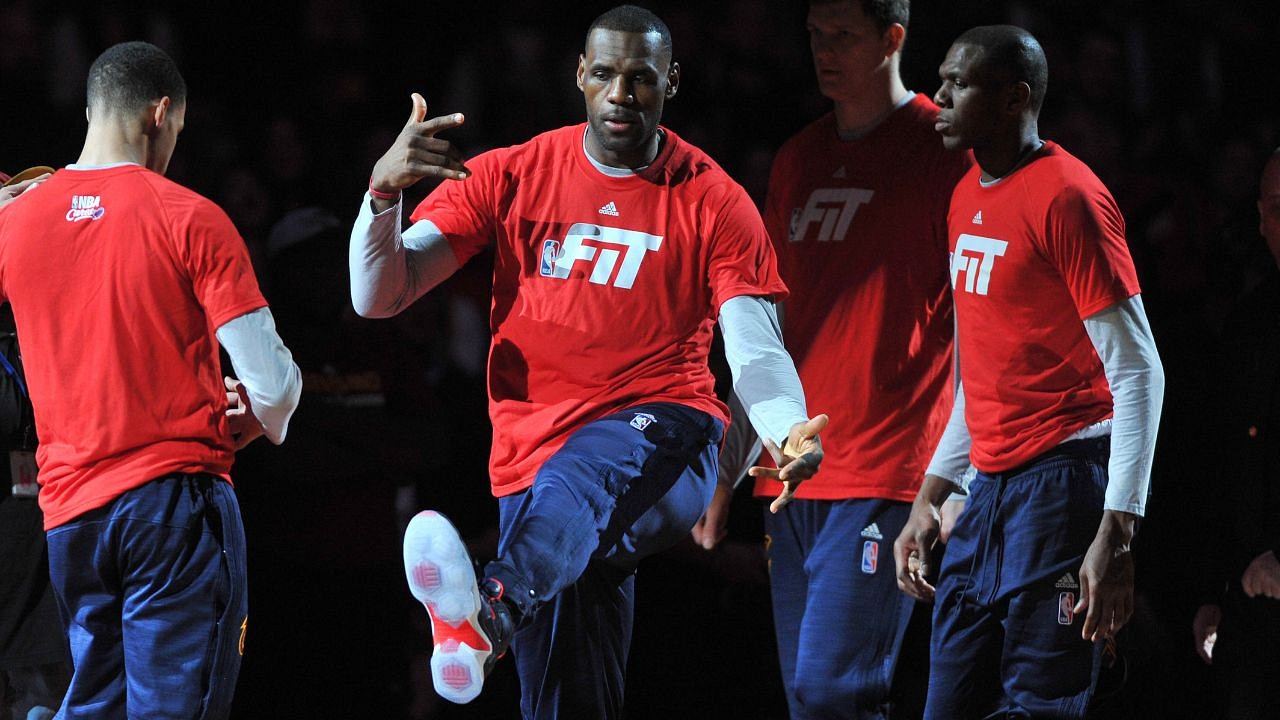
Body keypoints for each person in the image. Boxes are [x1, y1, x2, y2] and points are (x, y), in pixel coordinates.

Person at [349, 6, 827, 718]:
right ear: (580, 75)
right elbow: (380, 295)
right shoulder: (511, 173)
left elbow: (753, 346)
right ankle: (491, 619)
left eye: (641, 78)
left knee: (586, 473)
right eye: (604, 74)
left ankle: (489, 612)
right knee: (568, 692)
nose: (620, 95)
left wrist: (785, 427)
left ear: (671, 82)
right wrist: (382, 195)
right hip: (534, 472)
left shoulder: (714, 199)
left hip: (668, 436)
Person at [0, 42, 302, 720]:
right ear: (161, 114)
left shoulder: (13, 225)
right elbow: (273, 386)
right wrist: (262, 416)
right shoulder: (189, 215)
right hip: (174, 509)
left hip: (70, 521)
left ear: (89, 112)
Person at [690, 1, 970, 717]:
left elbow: (983, 325)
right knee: (808, 699)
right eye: (814, 34)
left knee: (831, 693)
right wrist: (724, 480)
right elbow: (766, 332)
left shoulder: (948, 151)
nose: (823, 50)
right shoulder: (798, 159)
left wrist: (957, 476)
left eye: (842, 35)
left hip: (889, 468)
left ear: (894, 38)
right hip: (791, 475)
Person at [892, 25, 1164, 718]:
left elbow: (1138, 372)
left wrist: (1118, 530)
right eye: (941, 80)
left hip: (1063, 481)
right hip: (989, 488)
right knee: (944, 702)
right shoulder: (965, 195)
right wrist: (933, 492)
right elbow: (983, 371)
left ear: (1015, 97)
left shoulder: (1068, 197)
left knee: (1041, 704)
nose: (939, 95)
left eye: (960, 83)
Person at [1190, 148, 1280, 718]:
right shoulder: (1252, 318)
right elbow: (1223, 461)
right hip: (1253, 597)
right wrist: (1213, 588)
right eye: (1277, 208)